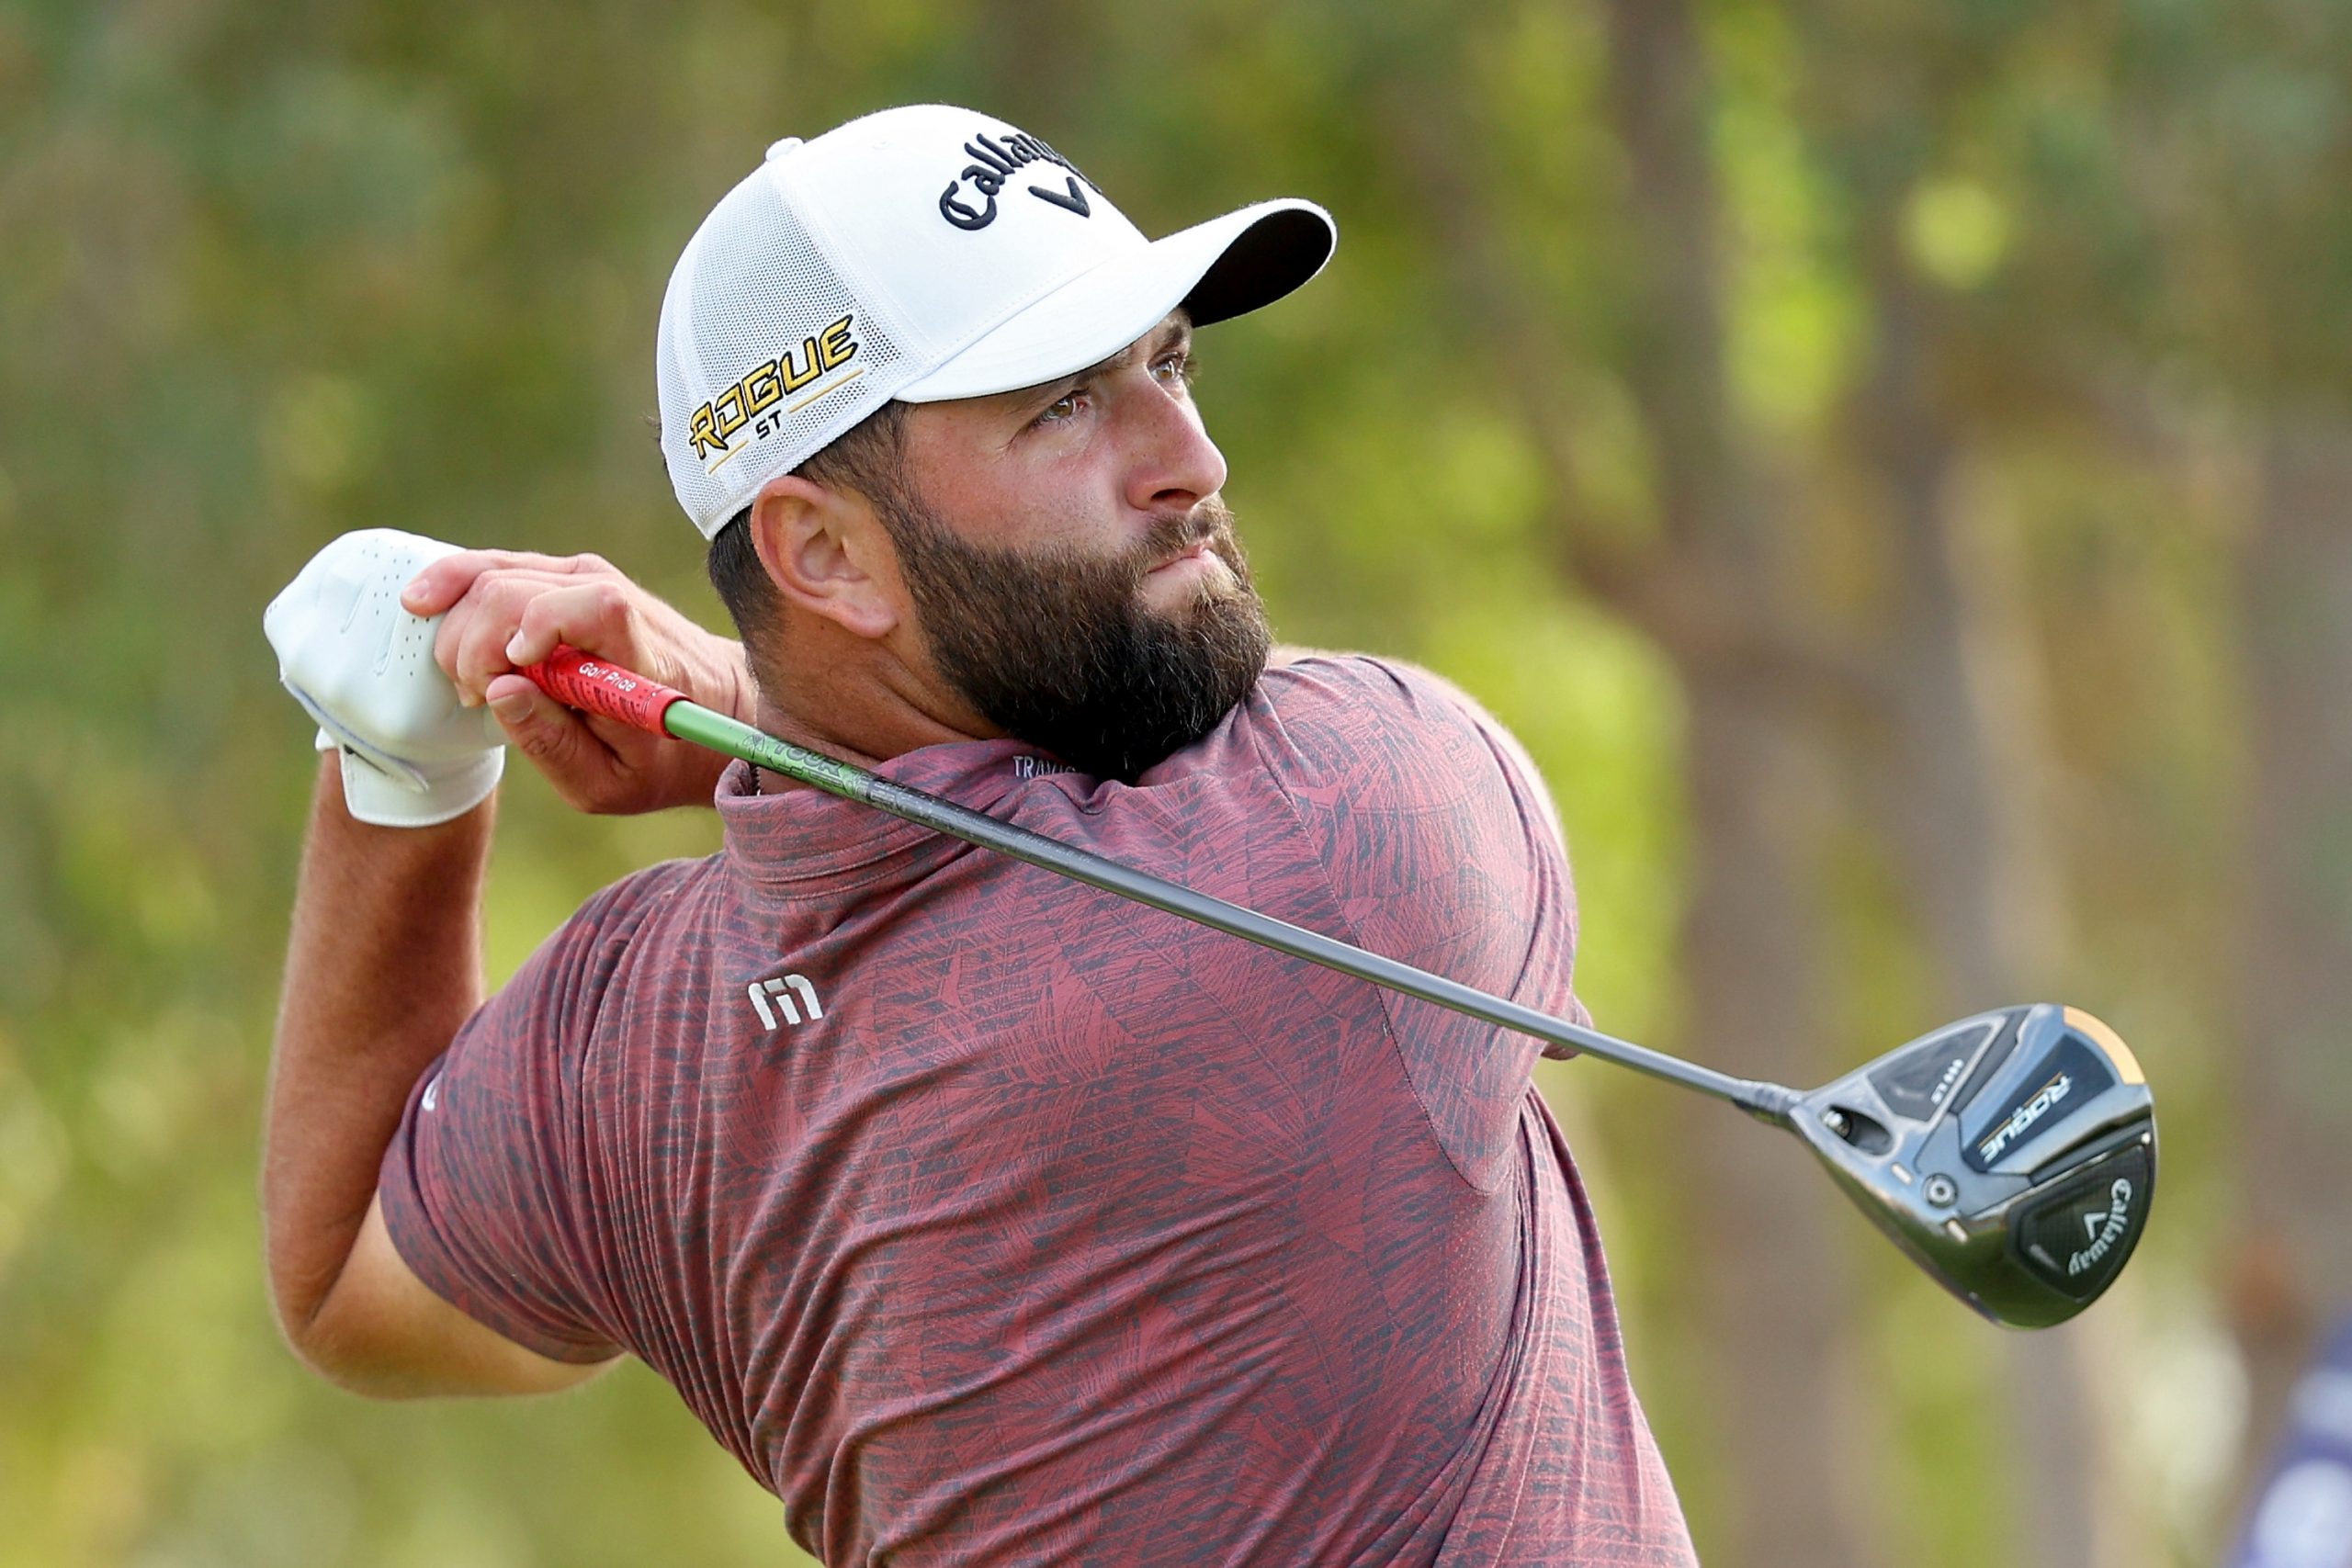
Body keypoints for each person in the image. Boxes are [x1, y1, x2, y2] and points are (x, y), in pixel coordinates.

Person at [262, 104, 1696, 1564]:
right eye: (1062, 405)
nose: (1188, 457)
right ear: (820, 552)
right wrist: (737, 700)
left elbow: (341, 1287)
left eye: (1167, 364)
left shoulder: (637, 1050)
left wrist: (398, 766)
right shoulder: (1370, 822)